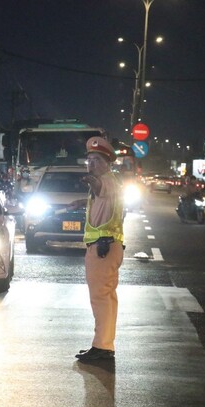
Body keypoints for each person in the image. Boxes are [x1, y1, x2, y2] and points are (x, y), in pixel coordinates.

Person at [67, 136, 124, 361]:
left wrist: (91, 180)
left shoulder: (106, 180)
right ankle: (103, 345)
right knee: (106, 298)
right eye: (89, 160)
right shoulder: (109, 182)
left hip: (103, 248)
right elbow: (101, 198)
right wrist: (82, 201)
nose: (91, 164)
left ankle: (102, 348)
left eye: (97, 160)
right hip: (107, 248)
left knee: (100, 299)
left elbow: (101, 188)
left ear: (107, 163)